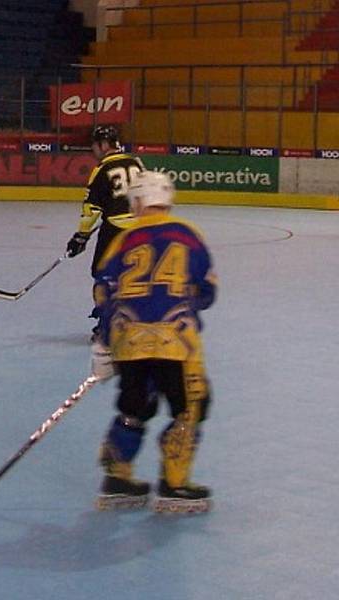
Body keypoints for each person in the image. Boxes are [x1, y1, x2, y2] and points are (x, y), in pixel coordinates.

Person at [90, 170, 217, 514]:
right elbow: (207, 291)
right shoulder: (189, 235)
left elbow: (104, 291)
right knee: (190, 407)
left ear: (138, 201)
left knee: (135, 406)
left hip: (128, 341)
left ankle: (118, 479)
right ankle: (174, 485)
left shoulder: (122, 238)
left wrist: (103, 343)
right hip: (176, 342)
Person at [66, 125, 144, 336]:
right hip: (140, 230)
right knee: (135, 275)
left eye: (94, 145)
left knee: (103, 276)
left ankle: (107, 324)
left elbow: (91, 209)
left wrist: (81, 236)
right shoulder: (136, 163)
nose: (93, 149)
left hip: (115, 230)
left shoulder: (101, 170)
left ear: (103, 144)